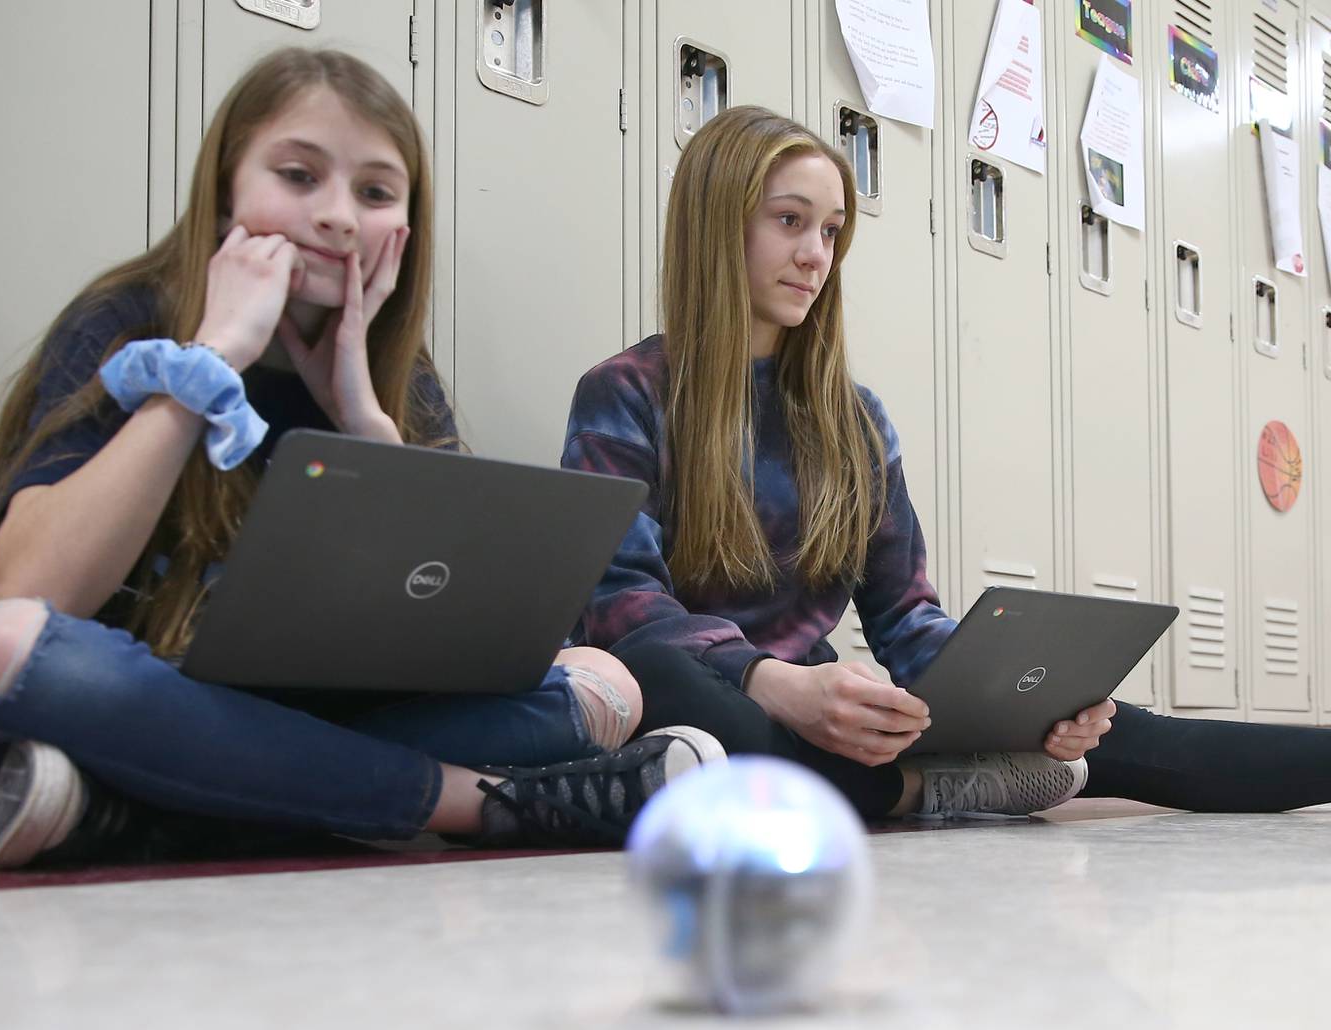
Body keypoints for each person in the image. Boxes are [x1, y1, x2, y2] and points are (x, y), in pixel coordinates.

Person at [0, 48, 723, 871]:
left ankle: (142, 808)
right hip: (123, 700)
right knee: (1, 650)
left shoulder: (388, 371)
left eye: (375, 192)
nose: (338, 215)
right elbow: (33, 591)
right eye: (299, 176)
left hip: (307, 719)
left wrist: (362, 418)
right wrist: (208, 360)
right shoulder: (127, 321)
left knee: (605, 683)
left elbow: (471, 632)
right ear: (228, 184)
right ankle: (486, 802)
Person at [562, 105, 1331, 820]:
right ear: (717, 227)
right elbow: (623, 608)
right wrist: (775, 681)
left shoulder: (853, 420)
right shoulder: (625, 394)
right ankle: (938, 787)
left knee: (1130, 734)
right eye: (789, 222)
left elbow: (905, 618)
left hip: (818, 714)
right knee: (716, 724)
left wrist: (1027, 699)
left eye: (830, 231)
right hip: (710, 698)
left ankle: (936, 779)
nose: (813, 256)